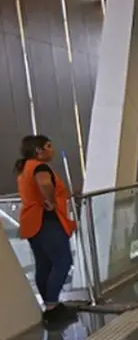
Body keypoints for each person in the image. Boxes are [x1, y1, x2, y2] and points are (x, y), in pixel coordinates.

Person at [14, 135, 76, 321]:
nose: (52, 150)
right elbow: (44, 183)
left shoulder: (24, 168)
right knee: (63, 262)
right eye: (48, 146)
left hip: (32, 223)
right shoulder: (40, 167)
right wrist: (50, 201)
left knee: (44, 264)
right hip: (47, 221)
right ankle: (52, 306)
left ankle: (50, 305)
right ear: (38, 150)